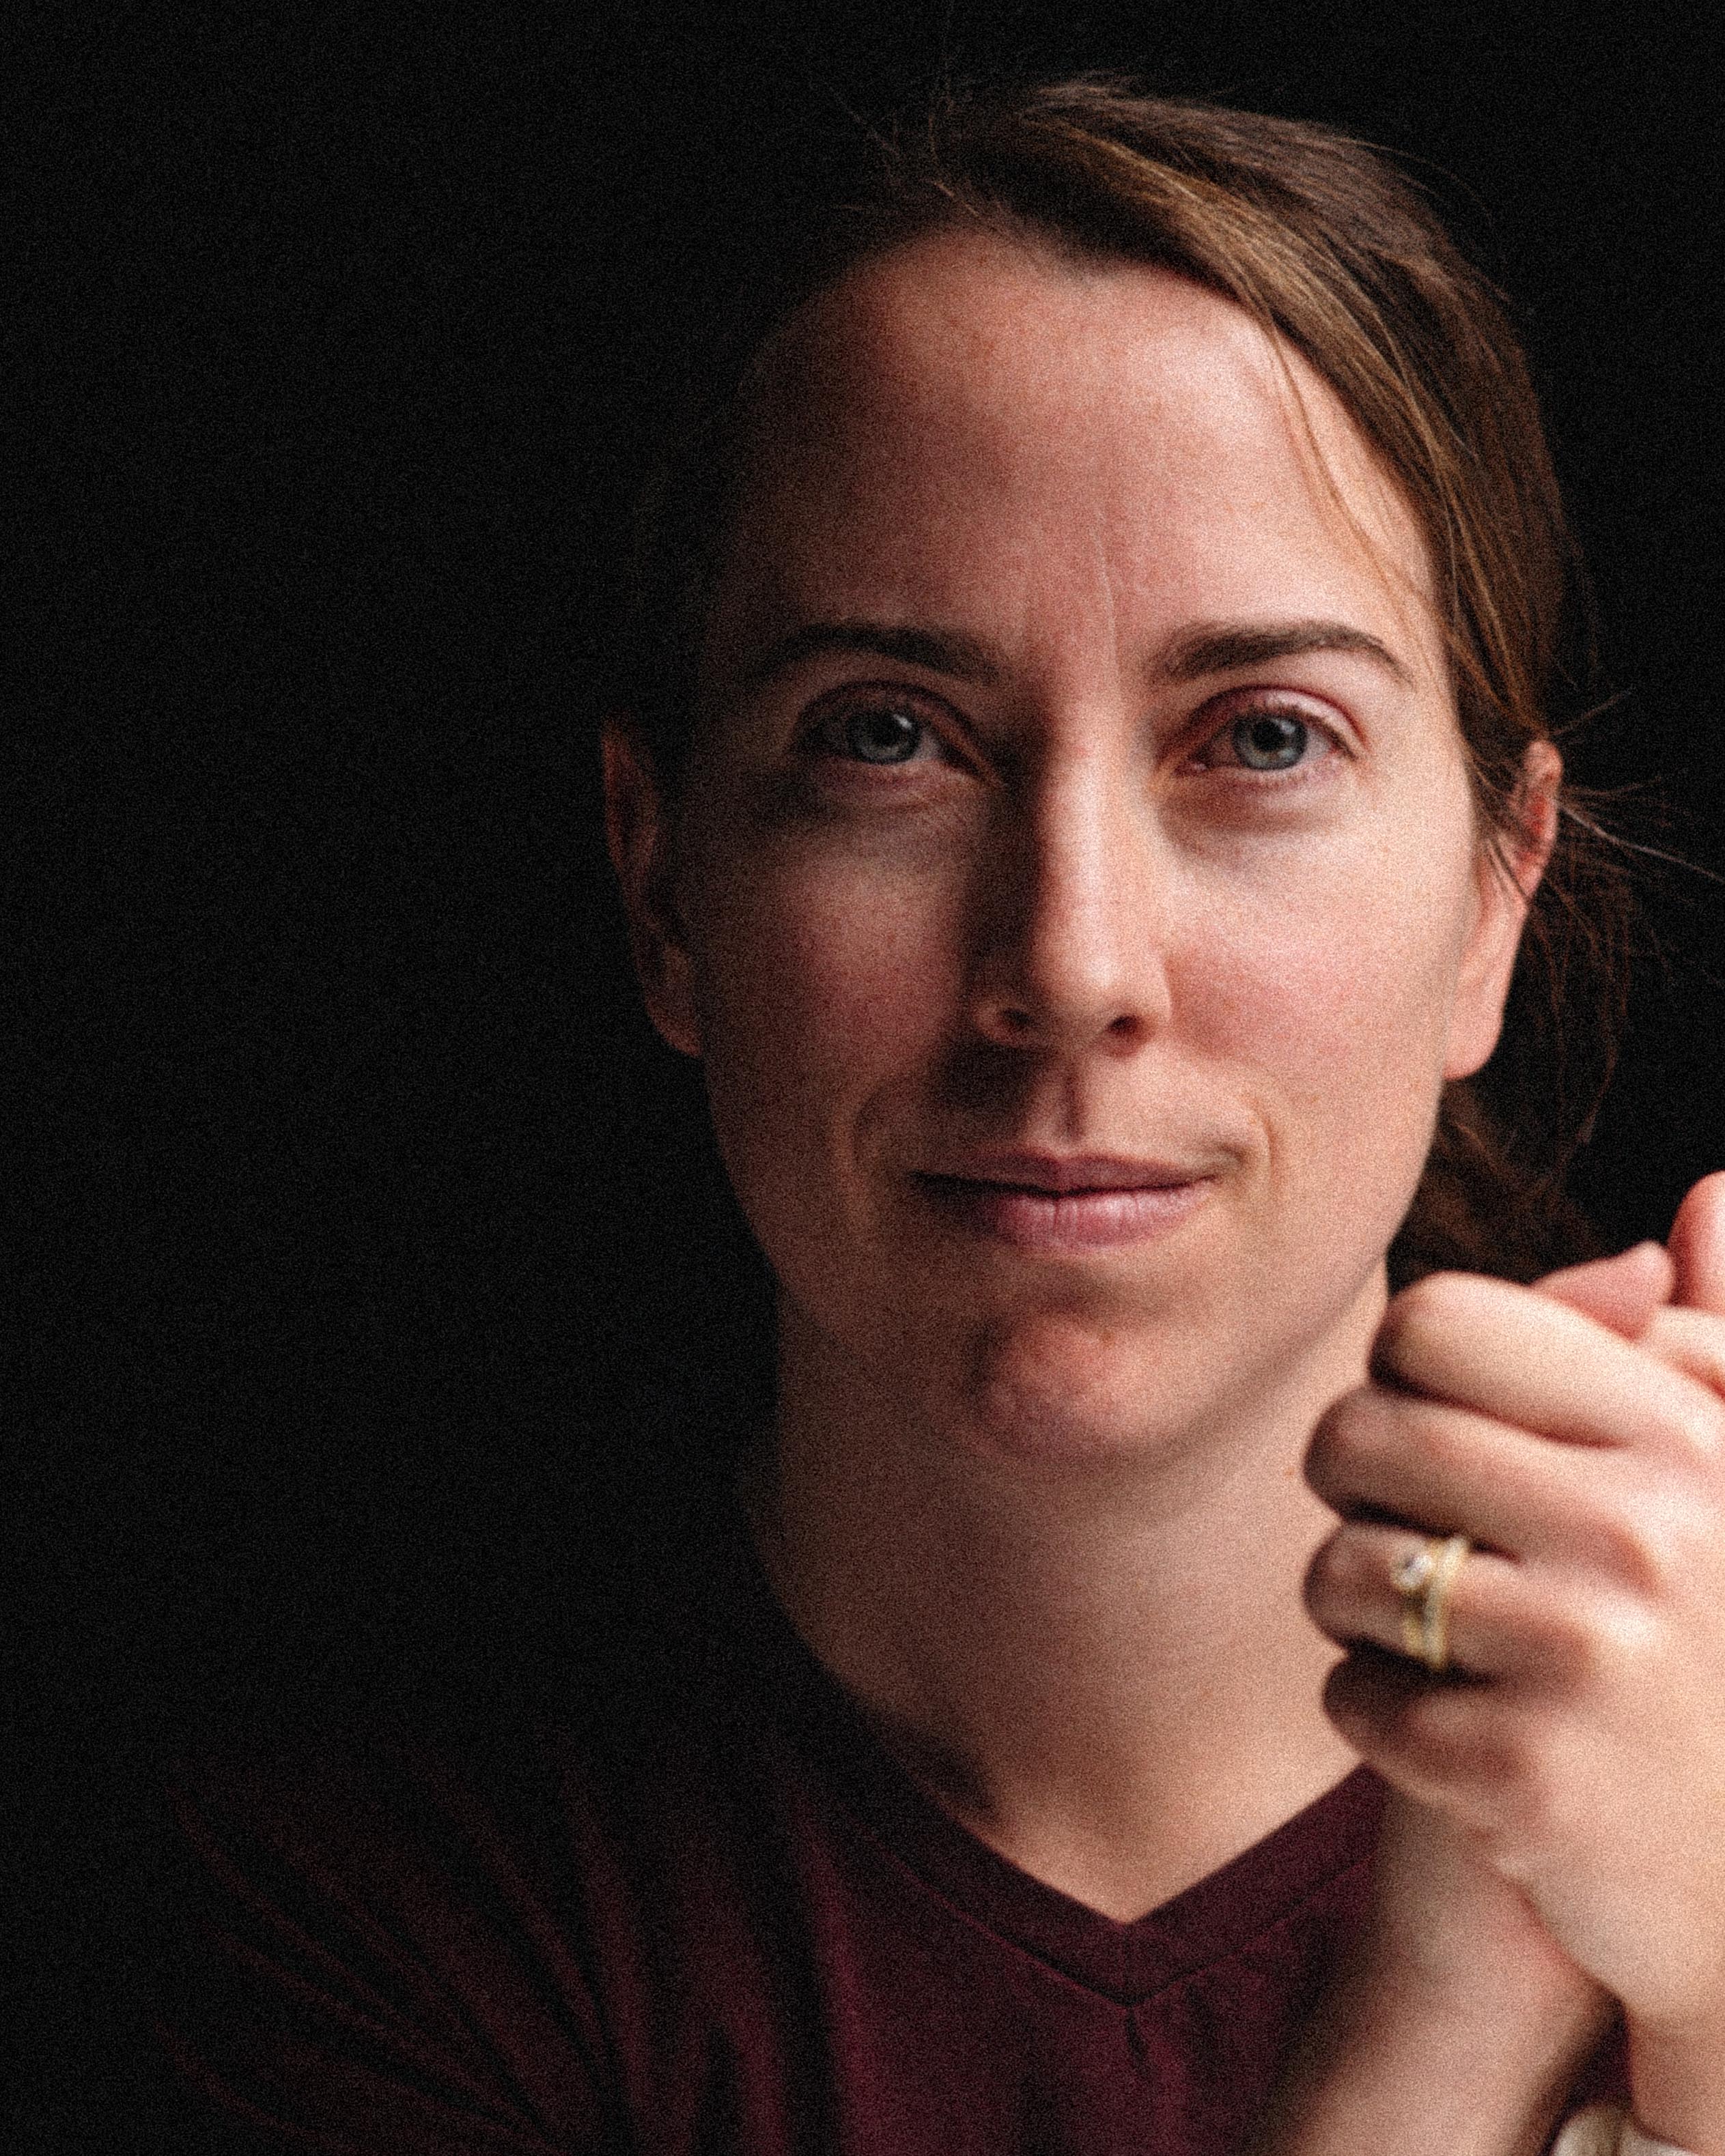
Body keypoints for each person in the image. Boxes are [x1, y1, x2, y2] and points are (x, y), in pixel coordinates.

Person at [158, 79, 1725, 2153]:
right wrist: (1445, 2020)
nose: (1072, 960)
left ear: (1494, 901)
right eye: (889, 737)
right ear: (663, 886)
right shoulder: (365, 1911)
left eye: (1265, 739)